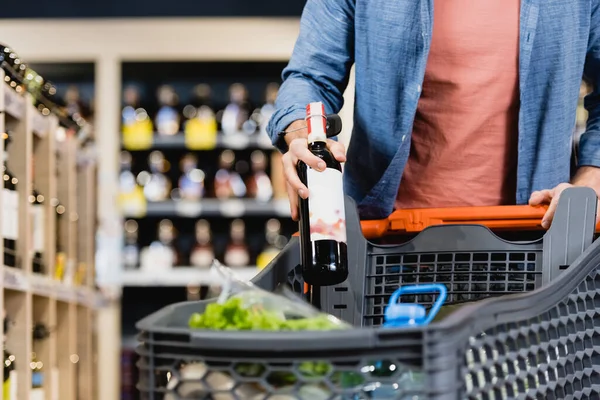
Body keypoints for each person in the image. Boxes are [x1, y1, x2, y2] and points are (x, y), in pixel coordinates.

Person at [266, 0, 600, 228]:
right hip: (385, 239)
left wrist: (590, 183)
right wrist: (303, 136)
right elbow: (310, 78)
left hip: (535, 237)